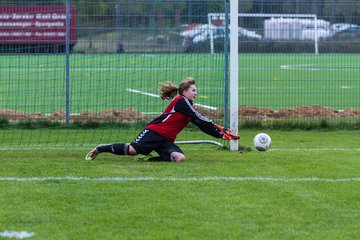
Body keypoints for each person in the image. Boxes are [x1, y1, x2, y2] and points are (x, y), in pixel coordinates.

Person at [85, 77, 239, 163]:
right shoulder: (181, 101)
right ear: (185, 92)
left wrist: (219, 134)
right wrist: (220, 129)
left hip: (166, 140)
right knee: (132, 150)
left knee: (180, 158)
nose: (196, 93)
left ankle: (147, 160)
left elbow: (200, 123)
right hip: (154, 132)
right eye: (193, 90)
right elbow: (200, 118)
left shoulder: (188, 105)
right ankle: (100, 148)